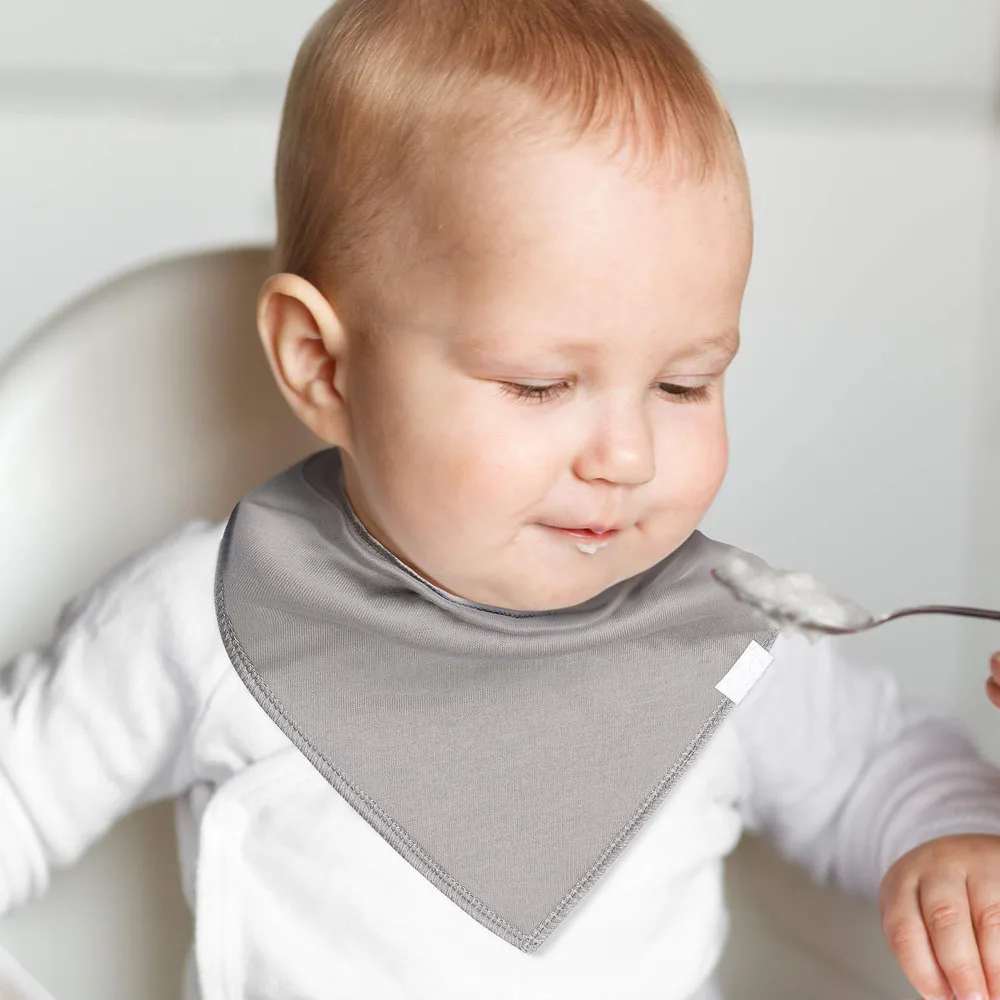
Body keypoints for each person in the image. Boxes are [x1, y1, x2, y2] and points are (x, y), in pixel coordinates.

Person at [3, 2, 1000, 998]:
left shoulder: (725, 639)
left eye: (684, 383)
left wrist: (956, 844)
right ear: (323, 366)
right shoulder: (217, 618)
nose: (627, 455)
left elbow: (880, 771)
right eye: (538, 384)